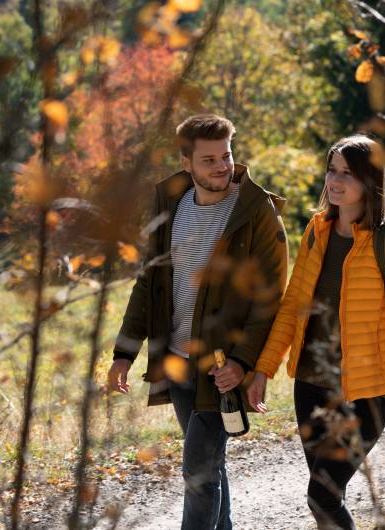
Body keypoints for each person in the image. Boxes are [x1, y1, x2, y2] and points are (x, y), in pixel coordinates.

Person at [107, 114, 288, 530]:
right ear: (186, 161)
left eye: (226, 155)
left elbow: (270, 300)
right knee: (209, 468)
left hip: (223, 367)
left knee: (198, 472)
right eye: (208, 160)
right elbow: (148, 285)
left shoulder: (256, 212)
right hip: (177, 363)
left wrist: (242, 362)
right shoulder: (169, 204)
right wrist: (124, 354)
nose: (222, 166)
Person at [247, 135, 385, 529]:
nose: (335, 180)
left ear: (371, 181)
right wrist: (263, 369)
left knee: (322, 494)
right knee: (325, 498)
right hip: (312, 383)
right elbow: (293, 306)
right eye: (332, 170)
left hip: (367, 390)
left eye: (348, 173)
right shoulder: (317, 232)